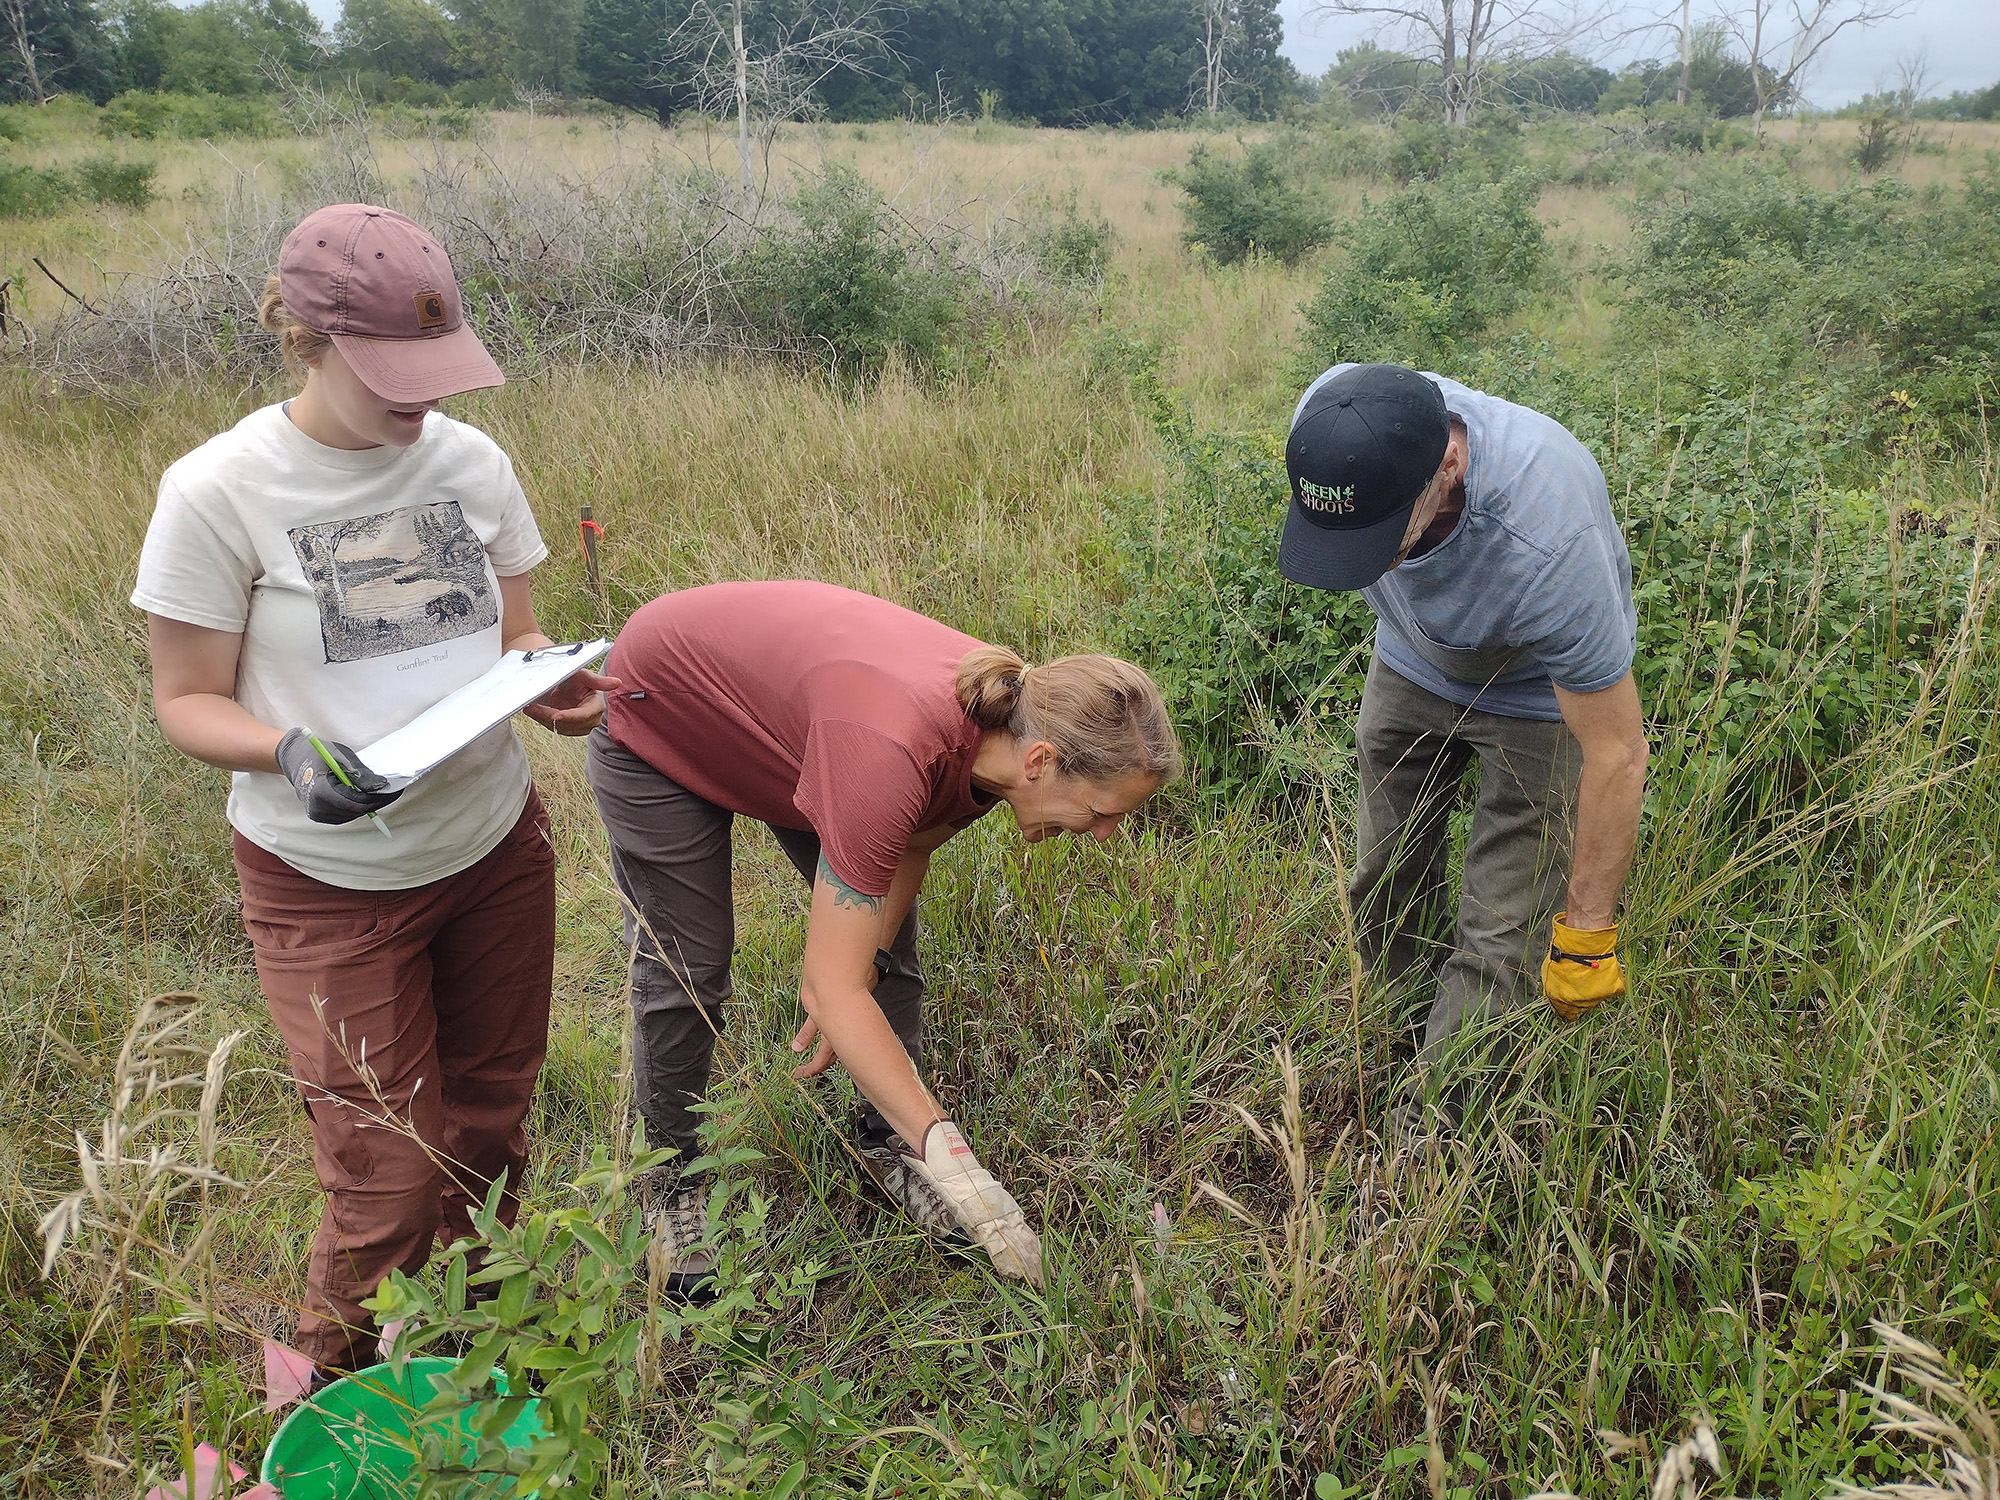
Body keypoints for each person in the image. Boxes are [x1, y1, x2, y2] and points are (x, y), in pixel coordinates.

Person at [131, 204, 617, 1375]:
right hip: (328, 880)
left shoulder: (470, 461)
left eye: (435, 370)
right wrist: (290, 753)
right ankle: (322, 1401)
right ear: (304, 338)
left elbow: (515, 637)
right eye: (389, 372)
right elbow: (186, 698)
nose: (420, 401)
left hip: (494, 848)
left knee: (492, 1126)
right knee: (388, 1174)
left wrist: (547, 690)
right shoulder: (220, 491)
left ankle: (461, 1354)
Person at [587, 580, 1181, 1293]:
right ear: (1042, 763)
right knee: (689, 966)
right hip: (665, 708)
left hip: (797, 740)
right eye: (1101, 811)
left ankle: (892, 1144)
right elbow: (827, 985)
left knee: (884, 954)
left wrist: (860, 972)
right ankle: (669, 1181)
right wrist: (967, 1175)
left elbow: (912, 846)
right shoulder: (895, 751)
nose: (1107, 836)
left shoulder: (1001, 731)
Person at [1277, 363, 1649, 1159]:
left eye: (1383, 539)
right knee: (1383, 873)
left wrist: (1587, 932)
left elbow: (1616, 752)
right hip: (1410, 665)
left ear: (1449, 467)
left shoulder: (1548, 537)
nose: (1366, 566)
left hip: (1534, 698)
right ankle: (1401, 1033)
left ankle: (1427, 1142)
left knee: (1500, 934)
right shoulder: (1336, 423)